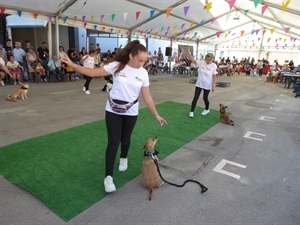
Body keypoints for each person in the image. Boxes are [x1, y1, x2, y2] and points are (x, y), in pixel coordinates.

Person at [61, 40, 167, 193]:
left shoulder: (143, 73)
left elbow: (147, 97)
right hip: (113, 110)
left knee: (125, 139)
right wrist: (73, 64)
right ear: (131, 55)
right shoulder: (117, 65)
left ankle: (124, 157)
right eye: (140, 60)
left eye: (145, 61)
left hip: (131, 111)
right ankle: (108, 177)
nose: (142, 64)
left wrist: (156, 115)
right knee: (113, 142)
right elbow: (93, 72)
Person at [187, 51, 217, 118]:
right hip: (199, 83)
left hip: (207, 84)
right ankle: (191, 111)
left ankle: (206, 109)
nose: (208, 62)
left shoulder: (213, 66)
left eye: (210, 60)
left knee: (205, 98)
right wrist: (189, 54)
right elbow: (193, 61)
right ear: (205, 59)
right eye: (207, 60)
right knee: (195, 97)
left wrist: (213, 85)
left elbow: (214, 76)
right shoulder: (201, 62)